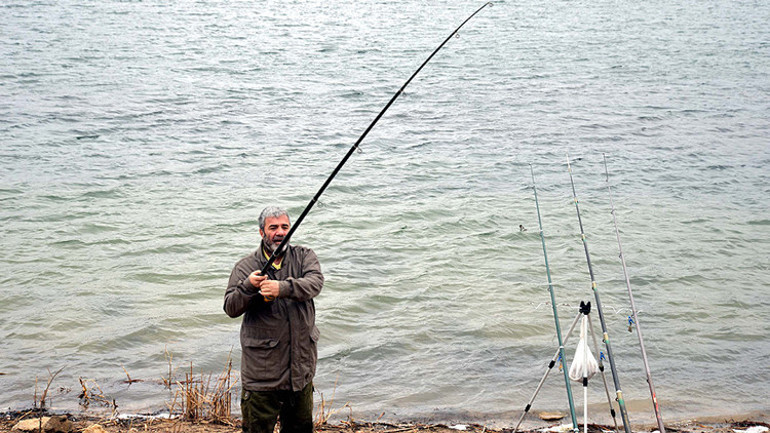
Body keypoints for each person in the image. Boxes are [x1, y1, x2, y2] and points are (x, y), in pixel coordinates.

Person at [224, 206, 324, 433]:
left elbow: (315, 283)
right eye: (273, 227)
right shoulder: (245, 267)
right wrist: (249, 287)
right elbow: (230, 307)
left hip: (300, 374)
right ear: (262, 232)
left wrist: (282, 288)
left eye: (285, 227)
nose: (280, 232)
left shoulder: (304, 256)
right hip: (261, 378)